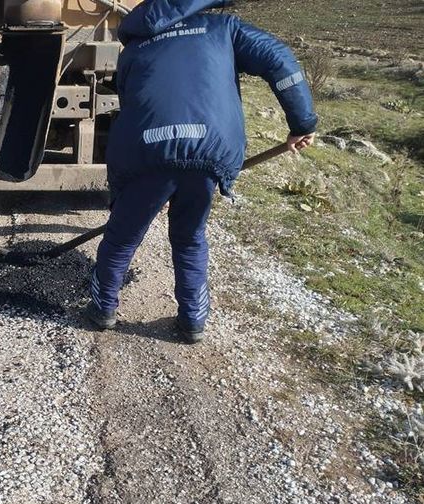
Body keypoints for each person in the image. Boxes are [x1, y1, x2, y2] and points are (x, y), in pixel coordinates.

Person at [83, 0, 317, 342]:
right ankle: (192, 320)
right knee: (189, 236)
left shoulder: (133, 48)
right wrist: (302, 122)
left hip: (147, 147)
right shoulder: (224, 29)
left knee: (122, 236)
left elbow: (132, 100)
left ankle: (103, 310)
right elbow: (278, 59)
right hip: (210, 147)